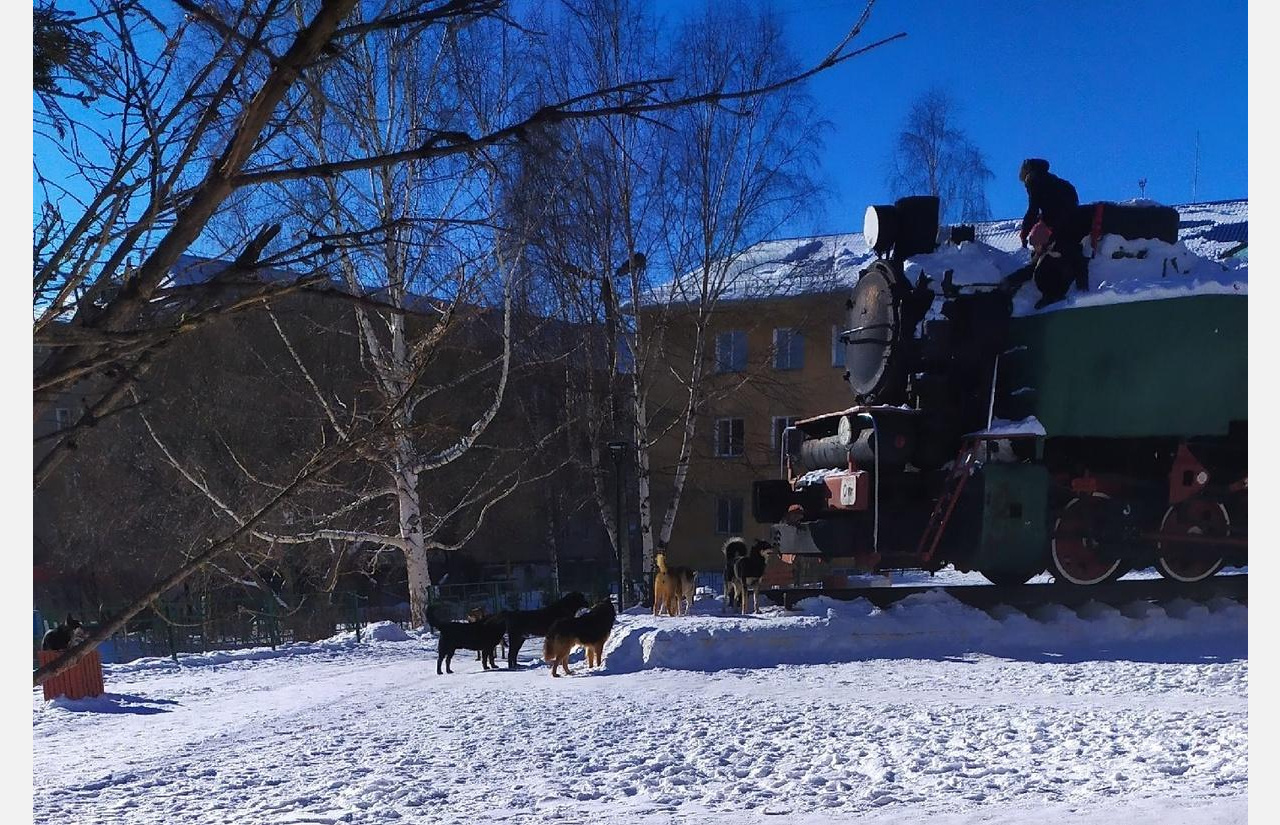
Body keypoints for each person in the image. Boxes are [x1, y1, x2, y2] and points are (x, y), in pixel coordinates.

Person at [1002, 158, 1089, 308]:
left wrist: (1025, 232)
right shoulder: (1060, 183)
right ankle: (1083, 290)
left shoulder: (1034, 180)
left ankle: (1054, 296)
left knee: (1043, 267)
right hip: (1074, 224)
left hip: (1059, 226)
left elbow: (1033, 209)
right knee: (1074, 257)